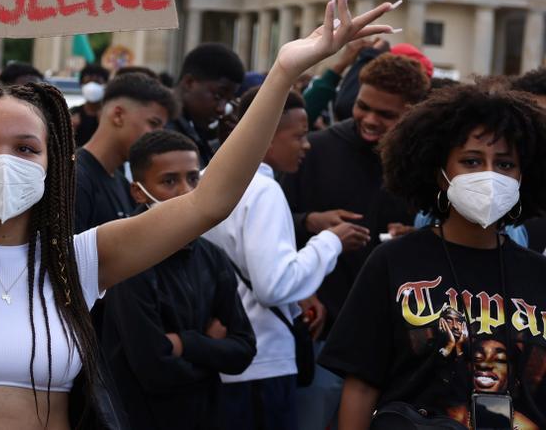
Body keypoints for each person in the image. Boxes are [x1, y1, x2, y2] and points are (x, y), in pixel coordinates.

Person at [0, 0, 396, 428]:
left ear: (53, 165)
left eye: (25, 148)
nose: (4, 160)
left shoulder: (81, 261)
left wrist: (281, 74)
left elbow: (209, 203)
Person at [321, 83, 546, 430]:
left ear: (523, 176)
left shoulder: (538, 273)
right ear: (440, 174)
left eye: (504, 164)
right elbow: (362, 386)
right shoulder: (393, 262)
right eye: (471, 161)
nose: (489, 175)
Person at [203, 87, 368, 430]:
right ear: (265, 137)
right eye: (299, 136)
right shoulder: (264, 190)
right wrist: (329, 242)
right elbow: (273, 285)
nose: (306, 145)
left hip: (221, 355)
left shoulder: (209, 178)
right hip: (260, 360)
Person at [101, 130, 256, 428]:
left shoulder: (212, 256)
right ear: (138, 192)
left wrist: (186, 343)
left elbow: (244, 350)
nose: (186, 191)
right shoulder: (127, 261)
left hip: (207, 415)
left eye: (193, 179)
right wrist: (211, 352)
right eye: (169, 181)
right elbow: (154, 370)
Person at [281, 54, 429, 347]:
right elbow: (274, 228)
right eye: (363, 107)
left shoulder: (426, 162)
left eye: (386, 115)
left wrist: (419, 238)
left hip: (395, 331)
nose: (370, 120)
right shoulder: (315, 150)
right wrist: (309, 221)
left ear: (412, 113)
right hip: (324, 327)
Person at [73, 72, 175, 232]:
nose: (158, 135)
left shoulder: (123, 184)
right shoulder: (74, 178)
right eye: (153, 124)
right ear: (118, 115)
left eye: (162, 128)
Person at [167, 43, 246, 167]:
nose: (221, 109)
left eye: (228, 101)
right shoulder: (163, 129)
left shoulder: (195, 130)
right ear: (189, 83)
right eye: (218, 96)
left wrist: (224, 146)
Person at [70, 63, 110, 148]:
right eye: (88, 82)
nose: (92, 87)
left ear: (105, 85)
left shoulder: (110, 115)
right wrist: (70, 130)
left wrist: (104, 126)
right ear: (81, 85)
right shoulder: (72, 113)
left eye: (97, 82)